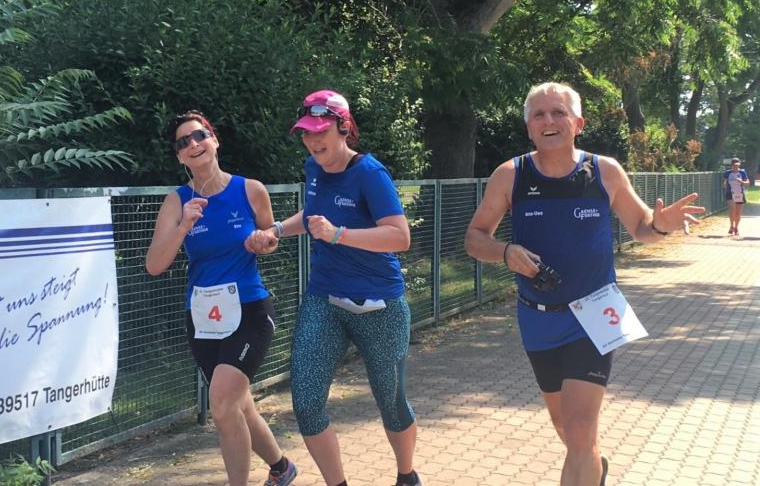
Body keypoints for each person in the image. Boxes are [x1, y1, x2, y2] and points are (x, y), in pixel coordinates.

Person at [464, 82, 705, 486]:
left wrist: (660, 226)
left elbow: (642, 226)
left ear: (578, 123)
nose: (549, 121)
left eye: (559, 112)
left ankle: (586, 461)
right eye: (539, 114)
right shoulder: (510, 175)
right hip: (537, 317)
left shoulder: (604, 170)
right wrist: (505, 251)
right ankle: (595, 465)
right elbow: (474, 239)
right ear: (529, 128)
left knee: (578, 430)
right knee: (567, 428)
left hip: (595, 313)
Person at [246, 90, 421, 486]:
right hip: (324, 299)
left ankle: (406, 475)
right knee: (307, 402)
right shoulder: (314, 167)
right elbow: (313, 215)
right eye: (306, 133)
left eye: (320, 131)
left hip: (379, 304)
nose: (313, 140)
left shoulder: (370, 173)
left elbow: (400, 236)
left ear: (344, 127)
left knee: (391, 402)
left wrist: (339, 234)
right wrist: (277, 230)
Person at [145, 110, 297, 486]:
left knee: (224, 403)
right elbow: (155, 265)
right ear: (179, 156)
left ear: (214, 140)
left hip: (249, 309)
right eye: (183, 142)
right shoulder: (176, 202)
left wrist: (263, 242)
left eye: (199, 136)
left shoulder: (250, 190)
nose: (193, 144)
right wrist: (184, 225)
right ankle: (281, 468)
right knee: (237, 404)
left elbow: (270, 238)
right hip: (203, 316)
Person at [723, 157, 750, 235]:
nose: (736, 166)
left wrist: (741, 182)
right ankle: (731, 226)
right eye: (734, 165)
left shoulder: (742, 172)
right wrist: (725, 185)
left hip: (739, 193)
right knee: (732, 210)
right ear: (731, 165)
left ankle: (736, 227)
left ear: (739, 164)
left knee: (738, 213)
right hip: (730, 193)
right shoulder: (727, 173)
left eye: (737, 165)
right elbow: (725, 182)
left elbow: (747, 183)